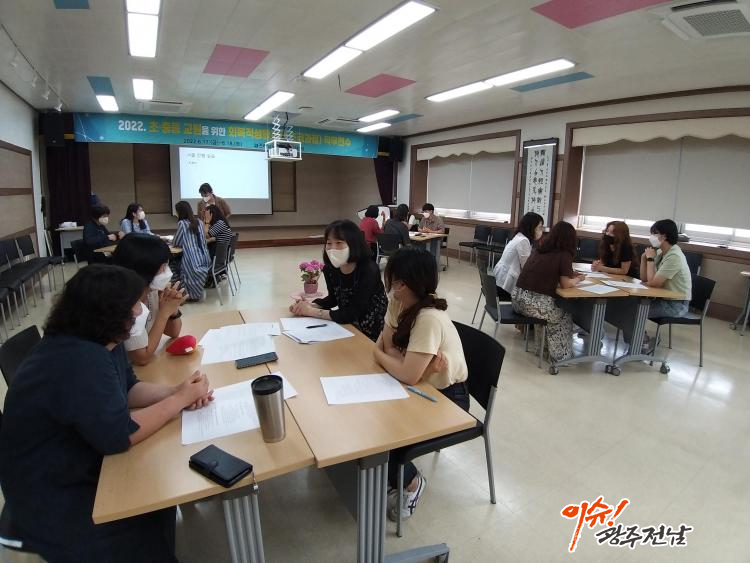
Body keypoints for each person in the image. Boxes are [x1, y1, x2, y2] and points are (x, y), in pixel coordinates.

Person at [0, 264, 213, 562]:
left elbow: (128, 388)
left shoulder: (100, 341)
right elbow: (120, 434)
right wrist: (178, 400)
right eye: (134, 304)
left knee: (158, 491)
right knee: (150, 505)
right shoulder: (78, 359)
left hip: (77, 461)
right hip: (55, 497)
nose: (140, 311)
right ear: (108, 312)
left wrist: (176, 392)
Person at [373, 246, 468, 522]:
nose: (390, 285)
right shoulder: (398, 302)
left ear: (406, 284)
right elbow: (391, 347)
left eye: (394, 280)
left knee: (387, 440)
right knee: (373, 422)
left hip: (448, 398)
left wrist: (379, 354)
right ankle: (391, 477)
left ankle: (413, 483)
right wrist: (402, 362)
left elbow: (404, 371)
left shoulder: (428, 318)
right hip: (422, 386)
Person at [289, 219, 387, 342]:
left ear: (354, 244)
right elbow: (333, 299)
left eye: (339, 242)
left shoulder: (368, 270)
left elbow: (352, 313)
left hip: (373, 331)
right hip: (346, 327)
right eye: (329, 243)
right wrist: (308, 305)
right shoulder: (330, 269)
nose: (332, 248)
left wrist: (311, 311)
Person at [512, 221, 586, 362]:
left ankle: (542, 350)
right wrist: (579, 279)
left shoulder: (539, 249)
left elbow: (549, 271)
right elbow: (566, 284)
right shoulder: (564, 254)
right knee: (564, 315)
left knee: (550, 312)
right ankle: (559, 357)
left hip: (517, 300)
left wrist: (570, 274)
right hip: (533, 306)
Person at [113, 233, 186, 366]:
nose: (167, 271)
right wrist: (164, 313)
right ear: (144, 270)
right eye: (163, 267)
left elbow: (173, 332)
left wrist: (172, 308)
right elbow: (142, 357)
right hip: (126, 369)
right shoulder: (125, 302)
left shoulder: (151, 292)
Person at [641, 219, 692, 316]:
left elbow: (653, 283)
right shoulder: (661, 252)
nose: (651, 237)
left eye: (654, 233)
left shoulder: (674, 256)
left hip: (676, 305)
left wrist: (650, 259)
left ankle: (637, 326)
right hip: (661, 298)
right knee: (632, 306)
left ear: (664, 236)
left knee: (637, 311)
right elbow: (644, 279)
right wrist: (643, 258)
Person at [493, 212, 544, 299]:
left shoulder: (519, 236)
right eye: (540, 227)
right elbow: (526, 267)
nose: (541, 231)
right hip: (505, 284)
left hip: (499, 280)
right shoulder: (523, 240)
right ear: (531, 227)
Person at [173, 200, 211, 301]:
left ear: (180, 212)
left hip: (191, 261)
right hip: (204, 258)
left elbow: (176, 242)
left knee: (172, 264)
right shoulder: (200, 222)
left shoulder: (182, 223)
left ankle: (183, 293)